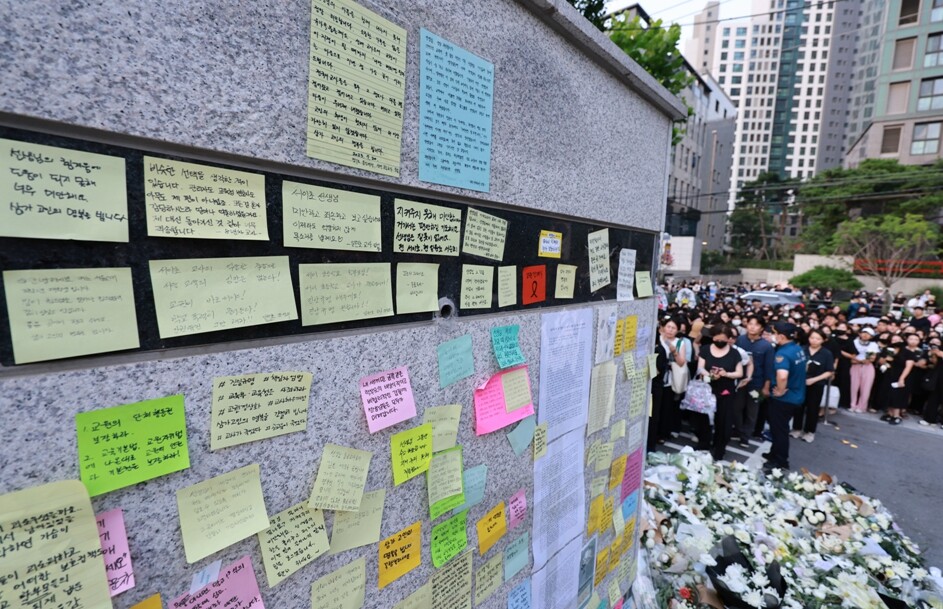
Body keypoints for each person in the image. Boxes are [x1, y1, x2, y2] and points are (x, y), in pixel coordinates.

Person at [696, 324, 744, 461]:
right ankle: (703, 443)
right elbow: (700, 368)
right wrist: (710, 375)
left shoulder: (734, 353)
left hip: (725, 391)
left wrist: (726, 374)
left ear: (729, 339)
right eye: (716, 338)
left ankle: (719, 448)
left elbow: (739, 373)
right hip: (707, 390)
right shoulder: (705, 349)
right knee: (704, 419)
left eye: (722, 339)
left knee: (723, 421)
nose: (719, 341)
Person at [764, 321, 807, 472]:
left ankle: (781, 460)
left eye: (774, 333)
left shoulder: (783, 353)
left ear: (781, 336)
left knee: (779, 430)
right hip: (796, 395)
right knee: (779, 428)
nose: (772, 336)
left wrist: (781, 390)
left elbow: (782, 376)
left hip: (784, 399)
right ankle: (774, 453)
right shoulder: (797, 348)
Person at [790, 329, 833, 443]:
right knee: (798, 406)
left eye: (818, 338)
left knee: (813, 408)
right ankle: (796, 428)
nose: (814, 340)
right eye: (812, 338)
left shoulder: (826, 353)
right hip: (800, 383)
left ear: (823, 340)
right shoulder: (801, 350)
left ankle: (810, 431)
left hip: (816, 384)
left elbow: (829, 371)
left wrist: (814, 379)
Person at [736, 315, 774, 442]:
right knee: (737, 407)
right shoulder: (740, 340)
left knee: (752, 410)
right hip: (739, 381)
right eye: (750, 323)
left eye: (756, 324)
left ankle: (746, 436)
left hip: (757, 384)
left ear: (762, 328)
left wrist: (766, 387)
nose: (752, 327)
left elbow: (769, 368)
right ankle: (738, 430)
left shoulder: (766, 346)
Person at [656, 316, 693, 443]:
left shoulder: (679, 342)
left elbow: (682, 363)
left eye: (673, 328)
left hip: (670, 379)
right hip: (658, 377)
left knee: (667, 407)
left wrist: (674, 351)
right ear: (663, 327)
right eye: (668, 327)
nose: (670, 330)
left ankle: (662, 434)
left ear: (677, 330)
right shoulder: (658, 339)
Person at [881, 333, 919, 425]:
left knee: (898, 396)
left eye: (897, 340)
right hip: (889, 375)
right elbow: (881, 361)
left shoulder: (908, 352)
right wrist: (886, 360)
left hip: (902, 376)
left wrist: (902, 378)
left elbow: (908, 367)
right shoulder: (887, 350)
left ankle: (896, 415)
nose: (895, 342)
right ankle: (890, 413)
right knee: (888, 394)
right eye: (893, 340)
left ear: (902, 340)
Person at [844, 327, 880, 413]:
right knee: (854, 386)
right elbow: (846, 352)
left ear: (871, 336)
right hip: (855, 365)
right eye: (864, 332)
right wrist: (855, 359)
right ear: (860, 333)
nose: (865, 335)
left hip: (867, 367)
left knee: (866, 388)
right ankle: (852, 405)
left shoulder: (873, 344)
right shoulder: (854, 342)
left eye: (868, 334)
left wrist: (865, 360)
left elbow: (872, 357)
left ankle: (862, 406)